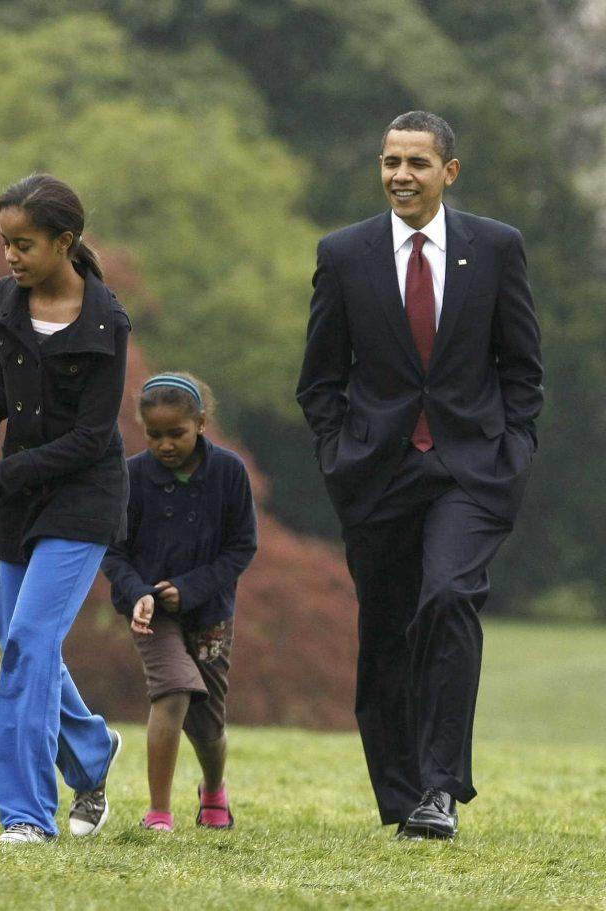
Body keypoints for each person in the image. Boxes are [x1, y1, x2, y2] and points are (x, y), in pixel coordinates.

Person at [296, 111, 543, 839]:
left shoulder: (496, 249)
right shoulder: (344, 255)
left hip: (472, 468)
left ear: (449, 173)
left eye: (417, 163)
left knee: (447, 595)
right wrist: (339, 454)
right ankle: (401, 795)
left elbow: (522, 369)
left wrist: (515, 448)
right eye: (391, 162)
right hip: (376, 472)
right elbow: (319, 379)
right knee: (386, 632)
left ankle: (440, 789)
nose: (401, 175)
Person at [0, 174, 129, 844]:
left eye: (24, 244)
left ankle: (27, 815)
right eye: (5, 244)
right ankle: (90, 750)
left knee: (29, 641)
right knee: (18, 637)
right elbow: (1, 373)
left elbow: (88, 439)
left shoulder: (107, 320)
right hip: (22, 491)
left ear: (65, 242)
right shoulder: (6, 299)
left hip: (83, 496)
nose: (11, 257)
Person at [101, 373, 256, 832]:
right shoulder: (130, 477)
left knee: (208, 726)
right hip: (151, 615)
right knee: (172, 692)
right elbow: (112, 551)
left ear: (201, 424)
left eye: (176, 434)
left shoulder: (230, 473)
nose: (165, 445)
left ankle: (213, 790)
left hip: (209, 615)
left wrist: (190, 588)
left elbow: (241, 547)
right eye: (154, 435)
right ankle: (159, 812)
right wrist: (139, 594)